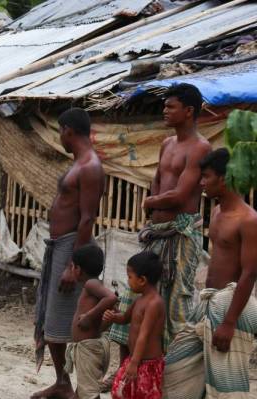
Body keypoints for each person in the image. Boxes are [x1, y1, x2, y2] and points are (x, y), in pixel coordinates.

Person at [109, 83, 212, 358]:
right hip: (157, 231)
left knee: (176, 303)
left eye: (170, 106)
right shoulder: (167, 143)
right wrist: (151, 208)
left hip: (180, 235)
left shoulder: (200, 147)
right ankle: (127, 365)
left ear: (188, 111)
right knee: (136, 294)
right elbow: (157, 180)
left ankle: (173, 369)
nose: (164, 110)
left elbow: (179, 195)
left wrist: (150, 202)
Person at [163, 148, 257, 399]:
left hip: (231, 307)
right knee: (175, 368)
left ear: (224, 179)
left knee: (226, 388)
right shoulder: (216, 213)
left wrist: (229, 323)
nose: (201, 182)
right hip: (206, 302)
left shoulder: (248, 220)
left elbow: (249, 273)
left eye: (206, 177)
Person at [32, 107, 105, 399]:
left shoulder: (90, 166)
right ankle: (62, 382)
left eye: (59, 132)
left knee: (65, 319)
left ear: (68, 131)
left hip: (71, 247)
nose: (59, 138)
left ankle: (76, 387)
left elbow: (87, 217)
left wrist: (73, 264)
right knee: (52, 319)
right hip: (59, 247)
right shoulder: (80, 163)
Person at [104, 252, 166, 399]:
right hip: (135, 359)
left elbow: (143, 335)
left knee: (142, 394)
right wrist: (113, 317)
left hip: (146, 363)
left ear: (142, 280)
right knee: (120, 392)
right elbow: (125, 318)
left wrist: (134, 362)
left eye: (130, 277)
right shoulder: (139, 300)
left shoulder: (154, 303)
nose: (128, 280)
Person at [65, 244, 117, 399]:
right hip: (88, 348)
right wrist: (102, 322)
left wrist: (89, 315)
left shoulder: (91, 284)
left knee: (89, 394)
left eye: (72, 266)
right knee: (83, 391)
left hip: (88, 350)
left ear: (78, 269)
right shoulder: (93, 286)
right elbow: (115, 309)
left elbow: (112, 298)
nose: (71, 269)